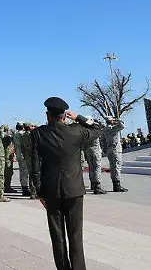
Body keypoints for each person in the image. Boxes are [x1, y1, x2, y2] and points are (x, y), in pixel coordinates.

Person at [29, 97, 103, 270]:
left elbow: (35, 165)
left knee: (57, 237)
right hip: (74, 190)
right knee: (75, 236)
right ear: (64, 116)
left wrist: (39, 191)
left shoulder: (38, 134)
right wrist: (79, 118)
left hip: (51, 191)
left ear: (48, 115)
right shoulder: (77, 131)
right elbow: (99, 128)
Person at [102, 116, 127, 193]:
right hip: (116, 149)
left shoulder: (104, 129)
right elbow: (122, 126)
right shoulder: (113, 128)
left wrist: (105, 149)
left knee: (113, 168)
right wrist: (118, 119)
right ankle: (117, 186)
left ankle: (115, 184)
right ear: (111, 121)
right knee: (117, 167)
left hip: (109, 149)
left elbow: (102, 141)